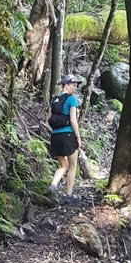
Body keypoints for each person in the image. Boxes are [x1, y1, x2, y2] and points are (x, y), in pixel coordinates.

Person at [48, 74, 82, 204]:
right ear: (66, 85)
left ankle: (53, 185)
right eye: (73, 86)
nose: (75, 88)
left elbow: (49, 119)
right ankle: (68, 195)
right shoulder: (71, 99)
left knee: (63, 165)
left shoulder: (54, 100)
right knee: (72, 165)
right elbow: (73, 120)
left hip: (55, 136)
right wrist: (78, 138)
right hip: (68, 136)